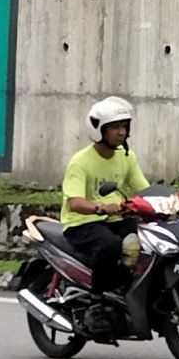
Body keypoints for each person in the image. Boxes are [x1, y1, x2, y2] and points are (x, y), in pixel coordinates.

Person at [61, 96, 150, 296]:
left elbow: (143, 190)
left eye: (124, 126)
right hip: (82, 224)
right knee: (110, 245)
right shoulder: (80, 162)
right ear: (99, 130)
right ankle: (98, 299)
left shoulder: (127, 157)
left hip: (115, 219)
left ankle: (130, 289)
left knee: (148, 240)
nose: (121, 132)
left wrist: (167, 203)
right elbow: (74, 202)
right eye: (115, 127)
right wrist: (100, 207)